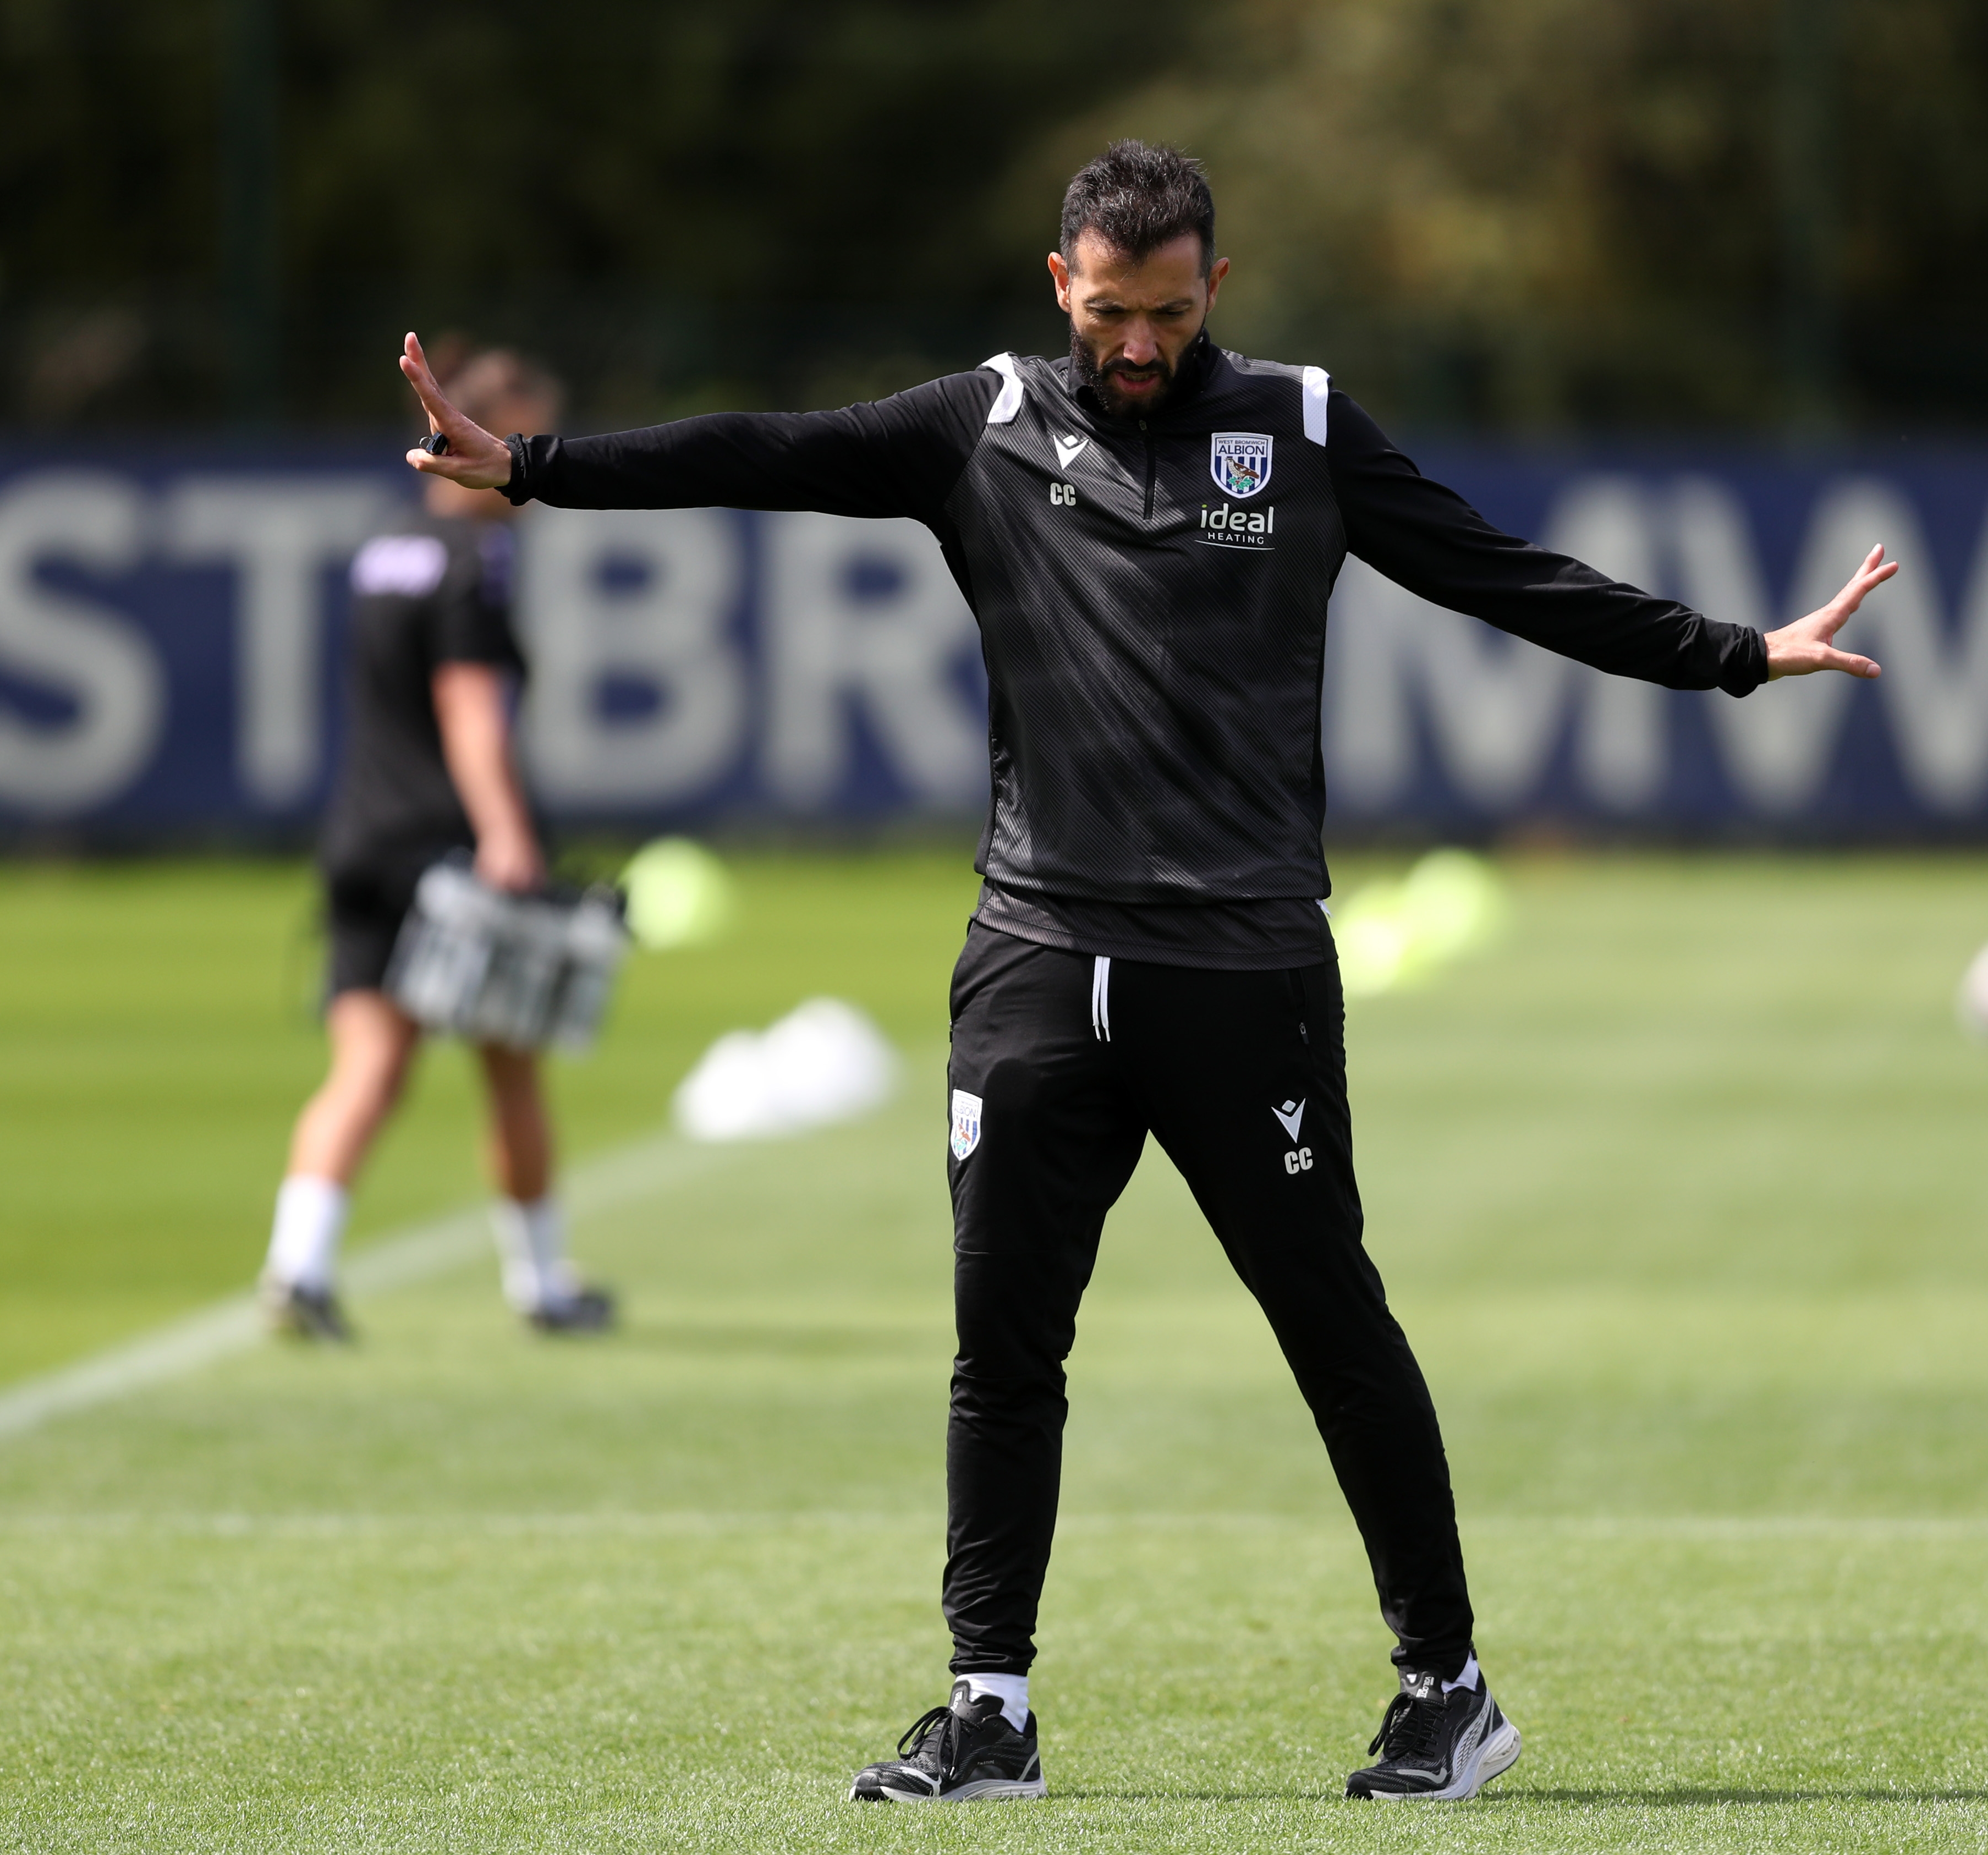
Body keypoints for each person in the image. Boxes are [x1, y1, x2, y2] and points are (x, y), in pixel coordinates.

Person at [397, 144, 1888, 1802]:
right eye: (1109, 311)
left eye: (1168, 314)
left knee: (1329, 1321)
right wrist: (530, 466)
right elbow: (770, 452)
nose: (1136, 344)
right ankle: (986, 1709)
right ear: (1060, 286)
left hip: (1242, 967)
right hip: (1033, 964)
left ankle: (1445, 1686)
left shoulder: (1306, 429)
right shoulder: (980, 424)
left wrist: (1738, 655)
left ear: (1216, 290)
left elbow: (1503, 575)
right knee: (1001, 1343)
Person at [257, 348, 616, 1343]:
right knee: (511, 1064)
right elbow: (468, 712)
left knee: (365, 1066)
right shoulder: (475, 562)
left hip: (360, 837)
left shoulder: (385, 549)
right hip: (447, 852)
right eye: (524, 440)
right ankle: (542, 1284)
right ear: (478, 432)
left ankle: (299, 1267)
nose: (532, 469)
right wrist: (508, 838)